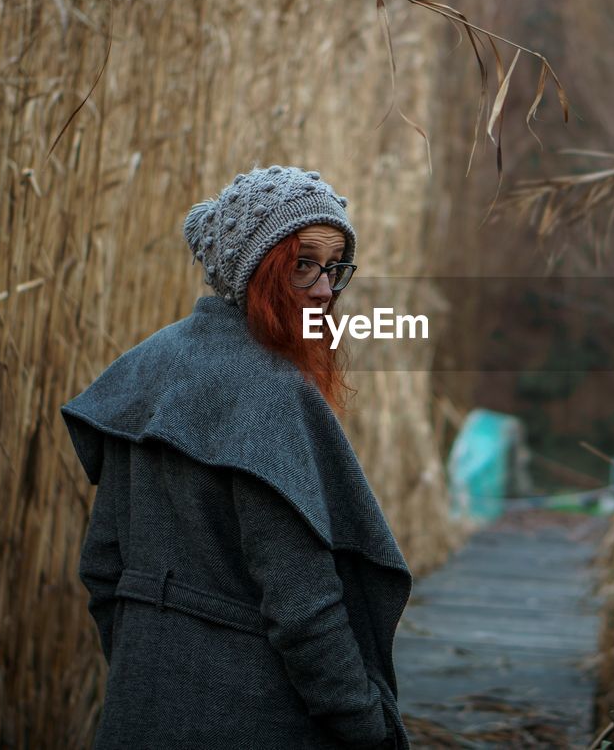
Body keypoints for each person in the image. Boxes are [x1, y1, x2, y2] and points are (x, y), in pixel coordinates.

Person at [60, 165, 413, 749]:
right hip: (253, 719)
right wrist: (369, 731)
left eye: (334, 267)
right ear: (256, 268)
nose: (326, 289)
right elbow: (304, 610)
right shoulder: (267, 392)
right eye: (303, 264)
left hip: (137, 711)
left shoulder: (145, 367)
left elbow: (103, 567)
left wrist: (151, 665)